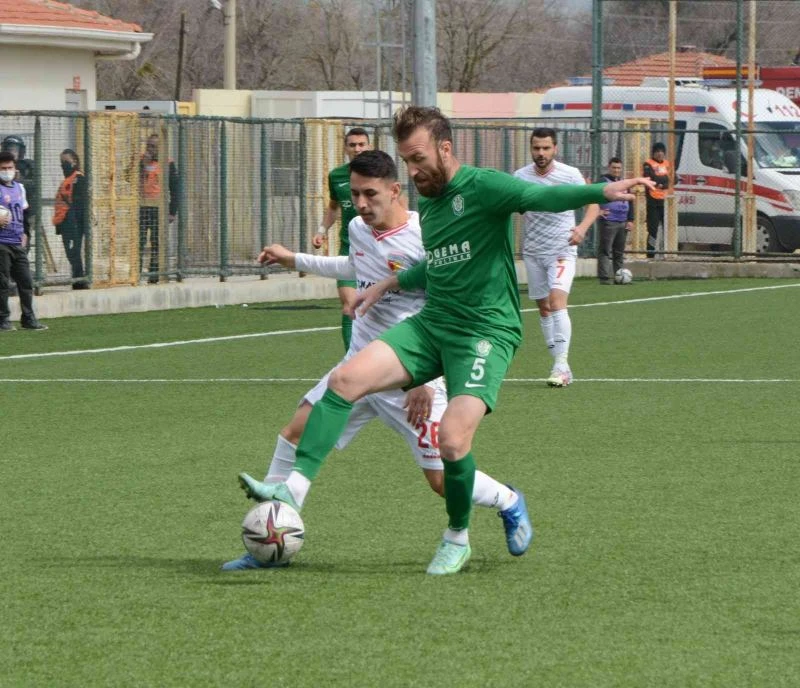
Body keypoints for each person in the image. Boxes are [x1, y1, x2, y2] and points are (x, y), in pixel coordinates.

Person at [236, 106, 651, 576]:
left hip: (483, 331)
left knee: (451, 447)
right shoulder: (425, 205)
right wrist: (389, 283)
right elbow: (438, 268)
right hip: (433, 322)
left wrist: (602, 190)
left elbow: (539, 196)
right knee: (345, 379)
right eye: (406, 162)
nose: (412, 172)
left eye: (417, 160)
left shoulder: (482, 186)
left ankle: (460, 534)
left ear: (445, 148)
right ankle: (290, 496)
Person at [229, 150, 530, 569]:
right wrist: (293, 259)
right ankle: (270, 542)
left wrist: (424, 379)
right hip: (361, 365)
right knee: (296, 432)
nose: (362, 204)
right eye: (354, 195)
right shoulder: (356, 226)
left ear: (395, 190)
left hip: (412, 373)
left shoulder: (431, 235)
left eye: (370, 194)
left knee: (441, 480)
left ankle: (508, 500)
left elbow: (445, 310)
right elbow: (354, 265)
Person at [514, 128, 599, 387]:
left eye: (546, 148)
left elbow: (593, 203)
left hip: (562, 249)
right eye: (536, 148)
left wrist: (582, 229)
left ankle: (561, 365)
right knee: (544, 307)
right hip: (533, 251)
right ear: (531, 148)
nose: (541, 153)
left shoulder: (570, 174)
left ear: (555, 148)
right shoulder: (519, 177)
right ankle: (561, 367)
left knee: (556, 300)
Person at [311, 127, 371, 352]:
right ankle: (352, 358)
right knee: (349, 307)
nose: (357, 149)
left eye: (361, 144)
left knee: (379, 308)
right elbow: (334, 207)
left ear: (369, 146)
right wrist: (321, 230)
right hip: (349, 250)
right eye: (352, 145)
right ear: (345, 148)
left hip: (377, 251)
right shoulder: (337, 176)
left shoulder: (379, 174)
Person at [0, 152, 47, 331]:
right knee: (2, 284)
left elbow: (25, 212)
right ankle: (3, 320)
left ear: (15, 169)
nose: (7, 171)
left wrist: (26, 232)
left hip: (17, 242)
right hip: (1, 243)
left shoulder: (20, 188)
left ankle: (28, 318)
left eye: (9, 168)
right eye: (3, 168)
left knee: (26, 281)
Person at [139, 133, 178, 284]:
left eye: (153, 147)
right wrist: (142, 165)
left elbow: (175, 189)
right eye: (148, 145)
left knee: (157, 243)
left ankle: (154, 275)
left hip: (158, 209)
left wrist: (172, 212)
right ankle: (136, 274)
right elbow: (129, 178)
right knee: (139, 242)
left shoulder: (167, 163)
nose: (149, 149)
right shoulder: (141, 160)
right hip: (142, 207)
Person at [52, 149, 89, 289]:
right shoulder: (67, 180)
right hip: (65, 222)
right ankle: (77, 278)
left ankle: (80, 280)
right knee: (71, 252)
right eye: (62, 162)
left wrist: (73, 222)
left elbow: (78, 203)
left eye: (66, 162)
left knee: (73, 252)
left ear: (75, 161)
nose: (63, 165)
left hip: (73, 222)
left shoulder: (78, 178)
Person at [596, 157, 634, 285]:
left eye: (618, 168)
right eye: (614, 168)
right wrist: (598, 211)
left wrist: (630, 219)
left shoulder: (623, 182)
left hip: (622, 221)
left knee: (619, 252)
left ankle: (619, 276)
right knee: (605, 250)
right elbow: (592, 196)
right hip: (609, 221)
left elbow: (630, 201)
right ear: (609, 167)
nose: (616, 170)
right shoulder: (602, 181)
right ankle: (604, 277)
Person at [1, 135, 35, 247]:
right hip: (4, 208)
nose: (12, 151)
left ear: (21, 151)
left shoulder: (28, 165)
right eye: (9, 148)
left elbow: (35, 185)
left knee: (23, 242)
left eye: (15, 149)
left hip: (24, 209)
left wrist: (21, 181)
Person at [643, 142, 671, 259]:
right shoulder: (648, 164)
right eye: (657, 151)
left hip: (664, 201)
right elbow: (650, 179)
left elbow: (669, 181)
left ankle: (664, 252)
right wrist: (661, 182)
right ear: (653, 153)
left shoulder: (667, 164)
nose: (660, 153)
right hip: (652, 201)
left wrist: (661, 183)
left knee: (666, 229)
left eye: (662, 151)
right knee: (653, 229)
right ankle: (650, 253)